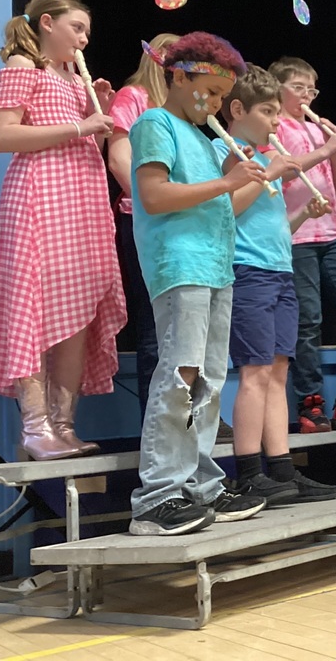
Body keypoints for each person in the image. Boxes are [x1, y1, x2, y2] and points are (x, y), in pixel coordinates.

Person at [128, 32, 266, 535]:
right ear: (178, 76)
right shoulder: (155, 122)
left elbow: (220, 208)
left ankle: (201, 484)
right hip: (179, 264)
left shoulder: (208, 141)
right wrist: (228, 180)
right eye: (204, 91)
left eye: (217, 95)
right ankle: (157, 495)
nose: (211, 104)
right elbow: (156, 195)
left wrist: (237, 173)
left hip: (215, 266)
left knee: (206, 383)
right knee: (181, 376)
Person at [0, 0, 126, 460]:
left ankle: (64, 425)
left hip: (81, 201)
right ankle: (35, 427)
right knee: (34, 307)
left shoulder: (72, 77)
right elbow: (2, 136)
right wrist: (80, 127)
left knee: (77, 314)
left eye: (87, 31)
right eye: (77, 28)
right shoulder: (24, 67)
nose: (84, 38)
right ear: (47, 23)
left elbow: (85, 138)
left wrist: (96, 108)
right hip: (41, 197)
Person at [213, 64, 336, 505]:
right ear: (237, 109)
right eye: (266, 111)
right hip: (247, 272)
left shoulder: (262, 158)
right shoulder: (228, 151)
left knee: (278, 370)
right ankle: (248, 470)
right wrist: (267, 172)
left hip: (278, 268)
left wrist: (305, 215)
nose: (273, 120)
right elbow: (226, 210)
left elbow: (268, 225)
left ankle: (283, 469)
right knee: (254, 371)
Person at [268, 57, 336, 430]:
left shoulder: (319, 130)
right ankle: (309, 402)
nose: (307, 96)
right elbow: (282, 171)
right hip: (296, 233)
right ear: (278, 88)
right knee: (308, 319)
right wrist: (323, 147)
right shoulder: (273, 126)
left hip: (332, 234)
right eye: (298, 88)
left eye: (311, 89)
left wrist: (334, 151)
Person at [108, 32, 180, 421]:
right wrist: (153, 201)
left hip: (180, 222)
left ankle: (189, 414)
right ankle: (160, 423)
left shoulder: (183, 109)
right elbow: (119, 160)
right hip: (144, 218)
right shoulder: (133, 96)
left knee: (184, 324)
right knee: (156, 324)